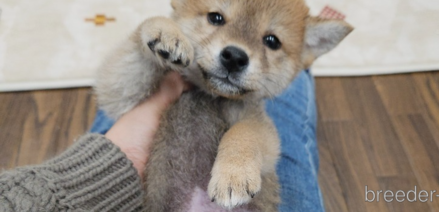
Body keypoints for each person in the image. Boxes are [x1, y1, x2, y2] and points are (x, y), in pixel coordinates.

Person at [0, 71, 324, 212]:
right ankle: (297, 62)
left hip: (106, 189)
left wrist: (124, 155)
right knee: (280, 95)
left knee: (145, 87)